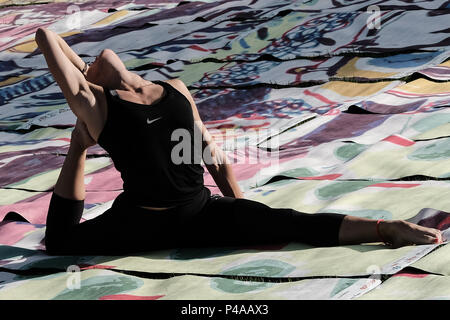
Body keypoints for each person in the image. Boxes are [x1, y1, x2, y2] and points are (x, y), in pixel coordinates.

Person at [35, 28, 443, 256]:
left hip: (175, 218)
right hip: (146, 223)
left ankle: (386, 227)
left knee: (287, 220)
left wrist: (238, 208)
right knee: (60, 242)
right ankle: (76, 146)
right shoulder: (104, 103)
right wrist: (86, 74)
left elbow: (214, 159)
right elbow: (44, 36)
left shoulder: (169, 90)